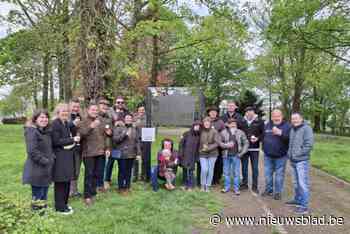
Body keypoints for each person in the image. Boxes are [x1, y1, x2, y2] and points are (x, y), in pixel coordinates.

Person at [23, 109, 54, 212]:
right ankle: (36, 216)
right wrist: (45, 161)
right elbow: (32, 151)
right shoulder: (31, 131)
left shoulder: (45, 131)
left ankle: (43, 214)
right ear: (35, 119)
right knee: (37, 196)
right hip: (36, 169)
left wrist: (52, 157)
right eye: (41, 117)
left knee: (44, 194)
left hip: (45, 169)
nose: (44, 119)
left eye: (46, 117)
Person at [78, 102, 110, 206]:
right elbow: (81, 135)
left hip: (100, 151)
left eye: (96, 110)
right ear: (88, 110)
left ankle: (93, 192)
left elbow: (104, 136)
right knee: (89, 174)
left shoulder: (101, 121)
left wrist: (106, 148)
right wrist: (91, 126)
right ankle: (87, 196)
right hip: (89, 152)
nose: (95, 112)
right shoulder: (83, 122)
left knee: (98, 173)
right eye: (93, 110)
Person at [51, 103, 79, 214]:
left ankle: (65, 204)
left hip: (67, 155)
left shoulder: (66, 123)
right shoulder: (55, 124)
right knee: (60, 182)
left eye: (66, 111)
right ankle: (59, 207)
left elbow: (74, 129)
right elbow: (56, 141)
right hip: (59, 157)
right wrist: (73, 140)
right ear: (58, 112)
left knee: (67, 180)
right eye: (62, 111)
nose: (65, 113)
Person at [286, 113, 314, 214]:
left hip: (302, 161)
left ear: (301, 119)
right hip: (293, 160)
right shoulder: (293, 129)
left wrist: (298, 154)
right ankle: (297, 200)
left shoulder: (307, 129)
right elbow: (290, 143)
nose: (294, 120)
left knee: (303, 184)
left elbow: (309, 145)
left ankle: (304, 206)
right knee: (295, 183)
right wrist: (289, 153)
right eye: (293, 119)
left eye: (296, 118)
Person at [262, 109, 291, 200]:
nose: (276, 117)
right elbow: (263, 137)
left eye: (278, 116)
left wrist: (280, 133)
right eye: (274, 116)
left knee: (279, 176)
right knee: (267, 175)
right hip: (268, 155)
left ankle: (278, 192)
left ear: (282, 116)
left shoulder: (287, 126)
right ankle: (269, 190)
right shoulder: (268, 125)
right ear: (272, 117)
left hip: (281, 156)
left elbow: (290, 139)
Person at [112, 114, 141, 195]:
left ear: (132, 119)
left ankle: (127, 186)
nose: (128, 119)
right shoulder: (118, 128)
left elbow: (137, 142)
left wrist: (138, 153)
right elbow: (115, 140)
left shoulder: (134, 129)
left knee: (129, 171)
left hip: (131, 154)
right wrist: (124, 134)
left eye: (130, 118)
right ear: (124, 119)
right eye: (127, 118)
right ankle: (120, 187)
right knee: (122, 171)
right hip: (121, 154)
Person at [219, 118, 249, 195]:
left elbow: (246, 143)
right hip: (226, 156)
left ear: (236, 125)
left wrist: (241, 153)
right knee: (226, 173)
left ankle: (236, 189)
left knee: (236, 173)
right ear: (228, 125)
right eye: (231, 123)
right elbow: (219, 143)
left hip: (236, 156)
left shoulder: (240, 132)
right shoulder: (223, 132)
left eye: (234, 124)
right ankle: (226, 187)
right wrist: (226, 145)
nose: (233, 125)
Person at [240, 106, 264, 194]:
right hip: (244, 149)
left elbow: (263, 133)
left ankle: (255, 186)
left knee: (254, 168)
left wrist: (258, 138)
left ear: (254, 113)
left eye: (251, 111)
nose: (249, 113)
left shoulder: (259, 121)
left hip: (255, 148)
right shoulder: (241, 121)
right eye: (247, 111)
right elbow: (238, 133)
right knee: (244, 167)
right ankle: (244, 184)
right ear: (245, 113)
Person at [199, 117, 221, 192]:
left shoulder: (214, 131)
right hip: (202, 153)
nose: (206, 123)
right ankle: (202, 185)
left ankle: (207, 186)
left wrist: (208, 148)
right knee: (204, 169)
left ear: (210, 123)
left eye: (208, 122)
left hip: (213, 153)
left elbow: (217, 143)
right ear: (203, 123)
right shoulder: (200, 131)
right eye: (205, 122)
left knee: (210, 170)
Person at [96, 98, 113, 192]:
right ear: (98, 105)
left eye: (106, 105)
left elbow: (109, 134)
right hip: (93, 146)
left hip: (104, 146)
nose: (105, 107)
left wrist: (108, 148)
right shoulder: (94, 116)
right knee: (93, 168)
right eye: (103, 105)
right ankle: (92, 186)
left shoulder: (108, 118)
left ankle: (100, 185)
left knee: (102, 166)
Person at [178, 121, 201, 191]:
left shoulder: (199, 136)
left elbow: (198, 148)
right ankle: (184, 184)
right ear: (193, 126)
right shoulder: (186, 134)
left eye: (199, 126)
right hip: (185, 155)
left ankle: (190, 185)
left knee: (190, 171)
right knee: (185, 170)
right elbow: (181, 144)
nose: (197, 127)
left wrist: (197, 157)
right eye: (196, 125)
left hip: (193, 156)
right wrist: (181, 153)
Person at [207, 106, 225, 186]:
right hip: (208, 145)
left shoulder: (220, 122)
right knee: (208, 163)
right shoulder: (205, 120)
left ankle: (216, 179)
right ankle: (208, 179)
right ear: (209, 113)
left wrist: (219, 138)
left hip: (218, 146)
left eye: (215, 112)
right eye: (211, 111)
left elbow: (224, 132)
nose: (213, 113)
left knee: (218, 163)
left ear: (217, 113)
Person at [68, 98, 82, 197]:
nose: (76, 108)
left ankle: (74, 190)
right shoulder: (65, 115)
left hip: (78, 147)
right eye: (74, 106)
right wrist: (73, 123)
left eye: (77, 106)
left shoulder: (80, 116)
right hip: (67, 147)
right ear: (69, 106)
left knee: (76, 170)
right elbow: (60, 126)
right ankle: (67, 191)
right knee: (68, 169)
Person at [132, 104, 148, 182]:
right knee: (136, 158)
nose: (141, 111)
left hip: (145, 140)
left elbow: (153, 128)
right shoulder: (134, 118)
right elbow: (131, 127)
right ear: (137, 111)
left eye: (143, 110)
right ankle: (135, 176)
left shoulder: (148, 119)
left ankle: (143, 175)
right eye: (140, 110)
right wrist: (135, 124)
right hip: (136, 140)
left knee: (145, 158)